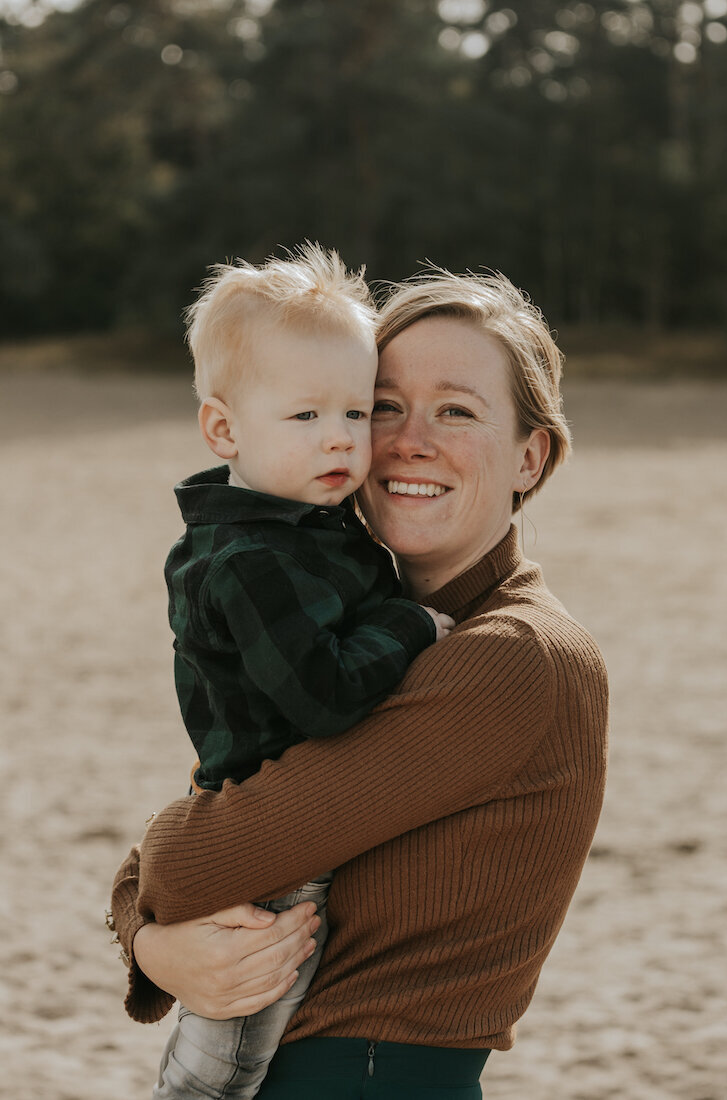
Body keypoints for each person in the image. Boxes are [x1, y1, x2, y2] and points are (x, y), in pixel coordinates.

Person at [110, 266, 609, 1100]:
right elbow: (236, 823)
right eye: (382, 405)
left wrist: (143, 916)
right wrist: (156, 947)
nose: (403, 439)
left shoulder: (515, 655)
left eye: (455, 410)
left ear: (531, 454)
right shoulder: (347, 615)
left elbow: (201, 854)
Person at [146, 245, 453, 1098]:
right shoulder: (252, 558)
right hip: (270, 851)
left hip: (293, 824)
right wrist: (410, 621)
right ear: (223, 430)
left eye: (357, 413)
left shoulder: (306, 524)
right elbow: (324, 697)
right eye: (306, 417)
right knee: (229, 1056)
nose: (341, 440)